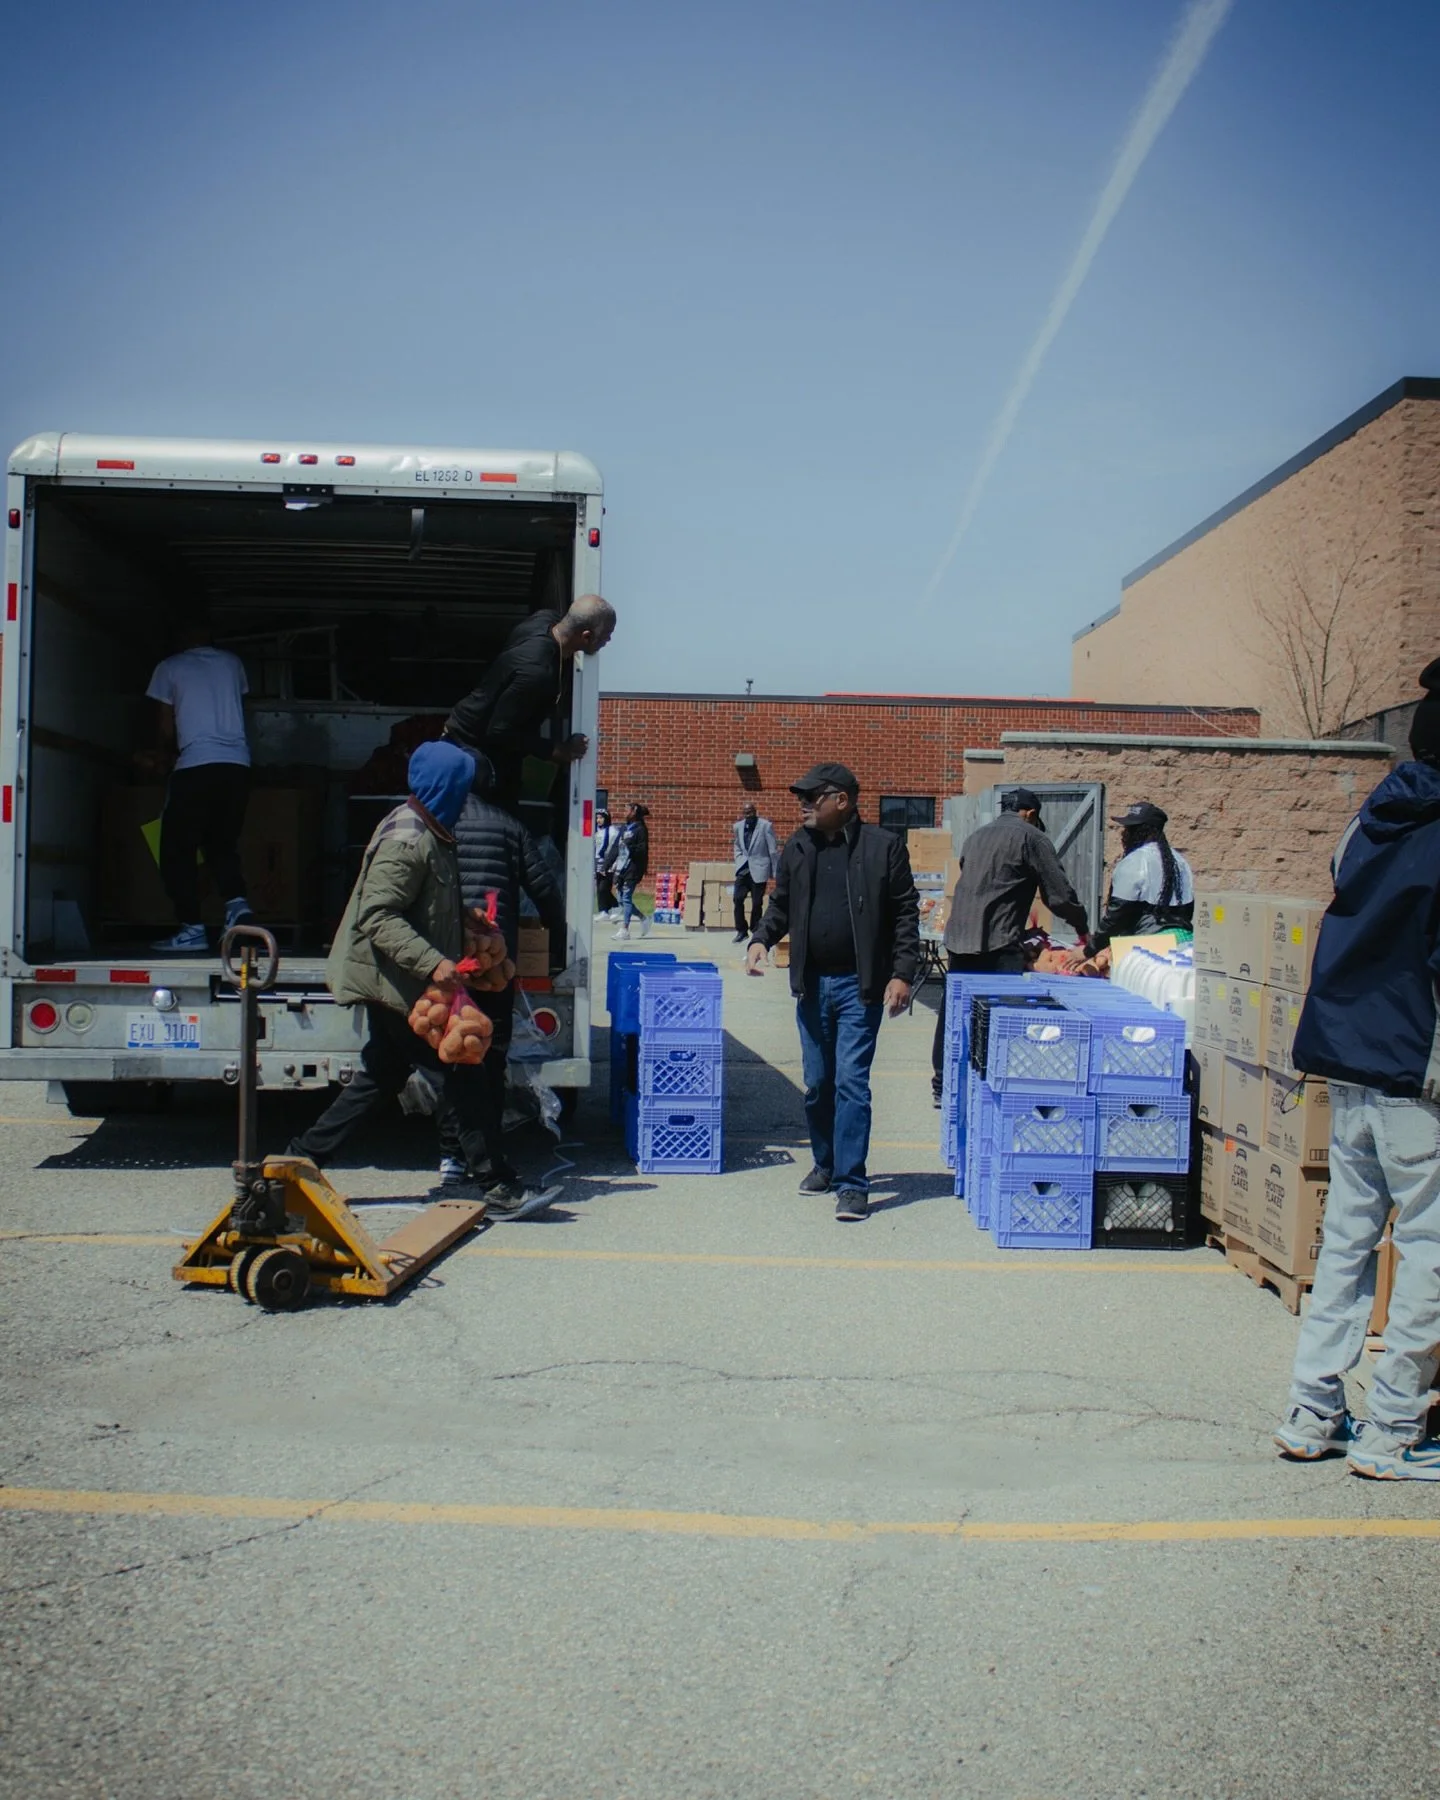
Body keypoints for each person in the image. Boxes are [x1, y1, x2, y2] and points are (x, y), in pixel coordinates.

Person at [1273, 659, 1440, 1481]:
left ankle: (1313, 1406)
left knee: (1347, 1238)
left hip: (1350, 1060)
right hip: (1420, 1071)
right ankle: (1396, 1427)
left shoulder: (1371, 822)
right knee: (1430, 1245)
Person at [282, 742, 542, 1220]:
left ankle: (299, 1160)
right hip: (398, 983)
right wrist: (431, 962)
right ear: (444, 787)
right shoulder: (408, 838)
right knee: (467, 1069)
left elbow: (417, 904)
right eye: (460, 789)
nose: (465, 798)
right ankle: (497, 1185)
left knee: (381, 1074)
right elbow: (378, 916)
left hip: (404, 980)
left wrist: (464, 921)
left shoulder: (430, 828)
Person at [746, 763, 918, 1222]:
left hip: (860, 988)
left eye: (812, 796)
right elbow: (781, 905)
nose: (803, 803)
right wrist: (761, 938)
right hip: (813, 986)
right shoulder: (799, 847)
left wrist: (902, 973)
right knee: (818, 1084)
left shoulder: (884, 847)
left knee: (850, 1083)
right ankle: (825, 1164)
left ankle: (852, 1184)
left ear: (841, 800)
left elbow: (905, 915)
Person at [435, 752, 568, 1199]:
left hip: (442, 963)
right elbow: (544, 887)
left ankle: (453, 1154)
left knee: (450, 1058)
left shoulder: (436, 821)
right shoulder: (509, 825)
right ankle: (486, 1154)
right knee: (487, 1060)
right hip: (493, 963)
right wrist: (556, 937)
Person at [930, 788, 1089, 1106]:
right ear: (1030, 813)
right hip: (998, 940)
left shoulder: (977, 836)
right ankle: (996, 1081)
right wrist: (1083, 927)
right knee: (1003, 1014)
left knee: (955, 1011)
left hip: (960, 939)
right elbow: (1057, 895)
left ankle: (943, 1083)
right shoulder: (1032, 838)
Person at [443, 594, 616, 811]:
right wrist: (556, 751)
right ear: (586, 636)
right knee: (494, 819)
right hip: (472, 744)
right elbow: (500, 730)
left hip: (477, 733)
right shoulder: (537, 673)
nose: (608, 641)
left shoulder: (544, 621)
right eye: (606, 636)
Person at [143, 614, 253, 953]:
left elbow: (164, 726)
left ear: (180, 635)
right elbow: (243, 709)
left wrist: (161, 759)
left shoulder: (169, 667)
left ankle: (191, 926)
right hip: (237, 765)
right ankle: (236, 904)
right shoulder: (233, 663)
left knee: (176, 847)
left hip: (195, 766)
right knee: (221, 843)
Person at [1078, 801, 1194, 958]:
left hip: (1149, 949)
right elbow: (1188, 911)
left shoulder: (1135, 861)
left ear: (1139, 832)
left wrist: (1089, 950)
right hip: (1185, 943)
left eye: (1128, 829)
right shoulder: (1180, 861)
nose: (1124, 834)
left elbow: (1117, 917)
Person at [731, 802, 779, 943]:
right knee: (737, 899)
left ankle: (755, 928)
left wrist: (774, 872)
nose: (749, 815)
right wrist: (738, 859)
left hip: (759, 868)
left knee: (757, 902)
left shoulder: (765, 826)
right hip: (743, 869)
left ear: (755, 812)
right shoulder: (738, 827)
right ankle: (741, 930)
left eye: (751, 812)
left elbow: (773, 850)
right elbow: (737, 845)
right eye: (746, 813)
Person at [609, 803, 651, 941]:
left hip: (634, 868)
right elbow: (616, 848)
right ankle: (643, 918)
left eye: (628, 810)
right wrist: (607, 865)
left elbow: (642, 849)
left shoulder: (640, 829)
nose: (625, 812)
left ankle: (625, 930)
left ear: (634, 812)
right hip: (622, 867)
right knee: (621, 899)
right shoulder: (624, 828)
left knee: (626, 898)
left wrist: (629, 848)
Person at [594, 809, 620, 918]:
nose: (598, 820)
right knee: (599, 888)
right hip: (597, 862)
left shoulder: (612, 831)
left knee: (603, 888)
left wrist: (614, 864)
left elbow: (616, 848)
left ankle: (611, 908)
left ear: (607, 818)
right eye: (597, 818)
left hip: (608, 863)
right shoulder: (595, 831)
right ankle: (607, 909)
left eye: (601, 817)